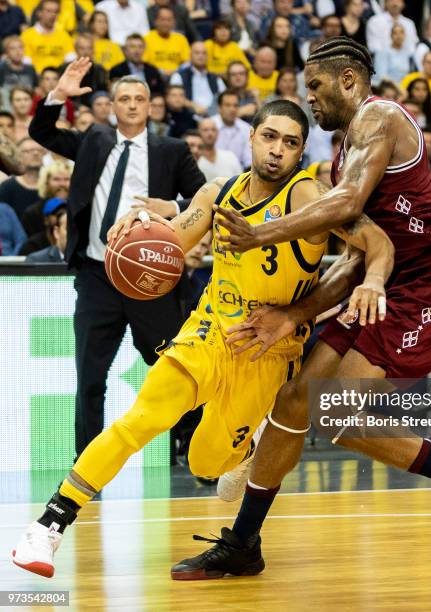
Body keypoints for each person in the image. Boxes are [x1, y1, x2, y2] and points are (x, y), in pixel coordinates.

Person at [180, 36, 431, 579]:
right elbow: (349, 262)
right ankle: (243, 543)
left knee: (338, 415)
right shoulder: (345, 150)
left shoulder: (379, 117)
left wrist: (259, 234)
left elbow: (341, 205)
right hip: (388, 282)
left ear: (347, 80)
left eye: (314, 87)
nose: (308, 98)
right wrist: (295, 316)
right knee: (296, 400)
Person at [12, 98, 388, 579]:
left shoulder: (308, 197)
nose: (277, 150)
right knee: (143, 418)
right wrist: (141, 229)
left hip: (267, 351)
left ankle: (245, 452)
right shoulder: (217, 193)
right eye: (269, 136)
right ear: (250, 138)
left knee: (205, 460)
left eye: (290, 143)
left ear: (300, 154)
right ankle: (48, 526)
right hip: (207, 332)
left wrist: (372, 281)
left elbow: (378, 244)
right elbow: (171, 241)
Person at [28, 58, 206, 457]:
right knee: (90, 376)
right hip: (97, 275)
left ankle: (193, 446)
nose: (130, 105)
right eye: (122, 98)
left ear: (149, 105)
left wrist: (172, 207)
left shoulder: (171, 150)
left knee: (173, 369)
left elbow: (205, 198)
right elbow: (40, 131)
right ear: (112, 105)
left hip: (151, 280)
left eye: (138, 98)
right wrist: (58, 94)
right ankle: (86, 461)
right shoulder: (93, 140)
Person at [170, 41, 225, 119]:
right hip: (189, 117)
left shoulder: (216, 78)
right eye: (197, 53)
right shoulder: (179, 76)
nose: (201, 56)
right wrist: (193, 105)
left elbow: (225, 98)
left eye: (204, 53)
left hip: (215, 118)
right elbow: (173, 98)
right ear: (190, 55)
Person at [20, 0, 76, 73]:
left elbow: (71, 59)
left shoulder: (64, 35)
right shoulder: (27, 35)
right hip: (37, 77)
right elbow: (26, 63)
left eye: (55, 12)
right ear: (39, 13)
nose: (53, 15)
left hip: (59, 77)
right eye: (49, 11)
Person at [0, 137, 43, 218]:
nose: (35, 153)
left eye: (39, 150)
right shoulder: (7, 188)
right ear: (18, 155)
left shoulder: (50, 185)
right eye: (28, 151)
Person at [143, 6, 191, 77]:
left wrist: (176, 72)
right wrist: (160, 71)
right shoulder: (147, 38)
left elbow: (187, 63)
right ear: (156, 21)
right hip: (155, 77)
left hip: (177, 76)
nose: (165, 23)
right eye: (162, 19)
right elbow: (144, 63)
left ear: (174, 22)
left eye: (169, 20)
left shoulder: (181, 39)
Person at [210, 90, 252, 168]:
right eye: (227, 105)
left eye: (235, 105)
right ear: (219, 108)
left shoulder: (246, 128)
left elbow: (248, 159)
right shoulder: (210, 125)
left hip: (238, 174)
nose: (232, 109)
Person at [0, 36, 38, 112]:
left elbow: (35, 91)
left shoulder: (30, 69)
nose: (17, 51)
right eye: (12, 48)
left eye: (20, 47)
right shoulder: (2, 69)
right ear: (7, 53)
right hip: (7, 110)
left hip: (28, 110)